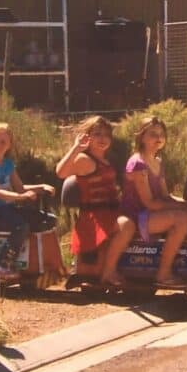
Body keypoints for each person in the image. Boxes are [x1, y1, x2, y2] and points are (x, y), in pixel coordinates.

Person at [55, 116, 135, 287]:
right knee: (126, 225)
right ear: (87, 137)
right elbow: (61, 172)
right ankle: (108, 272)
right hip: (95, 217)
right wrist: (76, 148)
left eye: (106, 135)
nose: (102, 138)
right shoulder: (84, 160)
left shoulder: (105, 160)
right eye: (97, 134)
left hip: (109, 211)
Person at [0, 122, 55, 280]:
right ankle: (2, 265)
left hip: (8, 208)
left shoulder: (8, 164)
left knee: (47, 220)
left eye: (3, 142)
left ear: (9, 144)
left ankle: (38, 263)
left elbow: (20, 187)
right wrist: (21, 197)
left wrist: (41, 187)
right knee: (20, 226)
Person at [120, 117, 187, 290]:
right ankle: (163, 274)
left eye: (161, 134)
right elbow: (150, 203)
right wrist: (180, 208)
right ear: (142, 137)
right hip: (137, 216)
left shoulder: (157, 162)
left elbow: (166, 196)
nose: (158, 138)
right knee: (181, 219)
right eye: (153, 134)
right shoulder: (138, 163)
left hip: (152, 214)